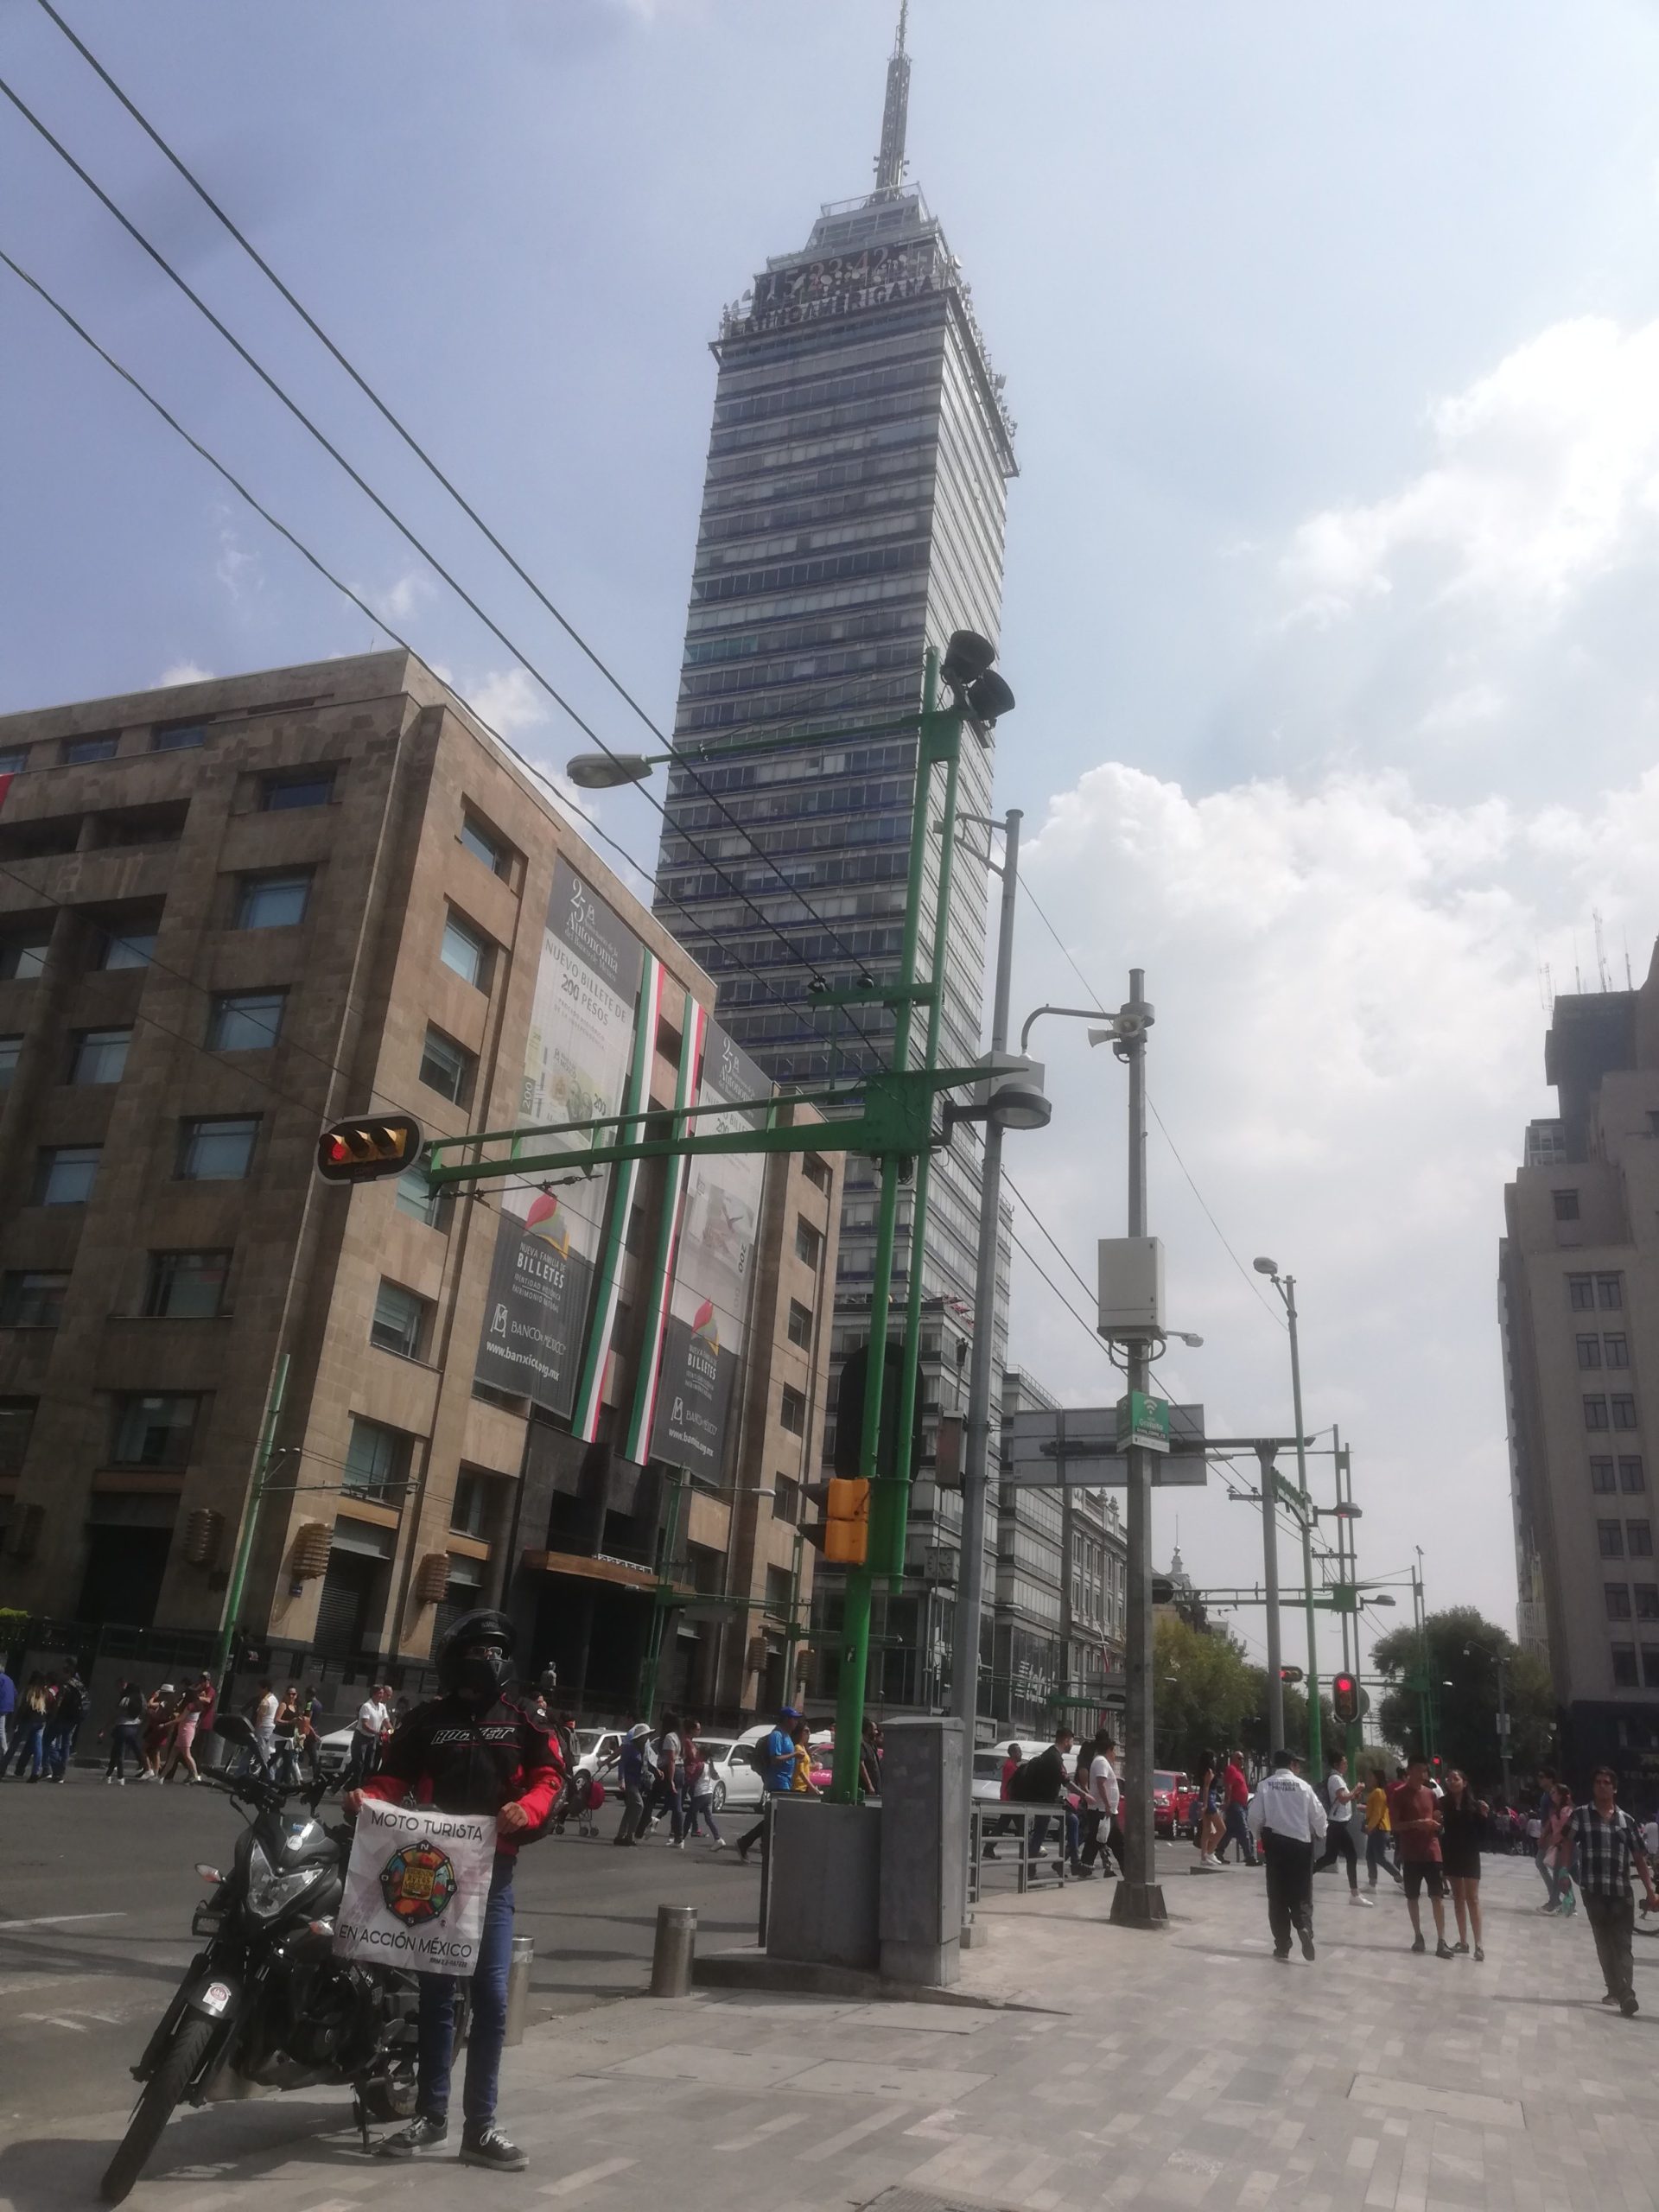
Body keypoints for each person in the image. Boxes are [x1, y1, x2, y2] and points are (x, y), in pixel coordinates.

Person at [346, 1609, 560, 2171]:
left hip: (493, 1878)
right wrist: (369, 1796)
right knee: (438, 1999)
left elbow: (549, 1781)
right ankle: (431, 2117)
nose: (485, 1660)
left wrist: (527, 1808)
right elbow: (391, 1776)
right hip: (429, 1875)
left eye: (494, 1650)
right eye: (475, 1650)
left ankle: (481, 2127)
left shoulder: (523, 1722)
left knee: (489, 1999)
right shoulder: (425, 1722)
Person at [1569, 1764, 1659, 2017]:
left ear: (1615, 1788)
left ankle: (1626, 1992)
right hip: (1594, 1890)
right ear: (1593, 1786)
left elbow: (1639, 1858)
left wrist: (1650, 1892)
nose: (1602, 1785)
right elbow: (1567, 1843)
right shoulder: (1580, 1816)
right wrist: (1567, 1874)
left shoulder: (1626, 1821)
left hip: (1621, 1891)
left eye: (1607, 1782)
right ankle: (1616, 1989)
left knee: (1622, 1943)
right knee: (1604, 1942)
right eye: (1598, 1781)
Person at [1246, 1748, 1327, 1961]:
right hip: (1301, 1845)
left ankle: (1282, 1946)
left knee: (1278, 1897)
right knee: (1302, 1893)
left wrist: (1258, 1836)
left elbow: (1254, 1817)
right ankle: (1304, 1927)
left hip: (1276, 1846)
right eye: (1298, 1764)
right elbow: (1319, 1816)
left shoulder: (1265, 1786)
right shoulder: (1304, 1787)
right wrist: (1320, 1833)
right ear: (1292, 1764)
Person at [1389, 1754, 1454, 1959]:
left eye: (1425, 1771)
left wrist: (1437, 1822)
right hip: (1411, 1853)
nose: (1422, 1774)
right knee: (1412, 1897)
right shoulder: (1399, 1794)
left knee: (1437, 1896)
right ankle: (1418, 1935)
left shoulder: (1431, 1794)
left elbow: (1438, 1818)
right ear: (1409, 1771)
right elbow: (1395, 1825)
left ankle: (1441, 1940)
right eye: (1418, 1770)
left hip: (1432, 1850)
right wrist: (1417, 1824)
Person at [1007, 1726, 1080, 1872]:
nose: (1072, 1744)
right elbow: (1066, 1781)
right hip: (1046, 1802)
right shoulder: (1054, 1757)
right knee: (1064, 1824)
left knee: (1043, 1832)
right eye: (1071, 1741)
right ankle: (1071, 1863)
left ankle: (1034, 1869)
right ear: (1066, 1740)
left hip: (1045, 1801)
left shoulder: (1051, 1755)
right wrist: (1085, 1795)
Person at [737, 1708, 802, 1862]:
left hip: (785, 1781)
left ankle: (755, 1844)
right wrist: (794, 1755)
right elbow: (775, 1759)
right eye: (794, 1719)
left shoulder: (787, 1736)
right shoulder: (777, 1735)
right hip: (776, 1780)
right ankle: (750, 1843)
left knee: (775, 1817)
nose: (796, 1722)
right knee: (775, 1817)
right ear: (786, 1719)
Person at [1440, 1768, 1489, 1960]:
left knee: (1473, 1898)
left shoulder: (1476, 1806)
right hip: (1451, 1854)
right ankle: (1463, 1941)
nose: (1452, 1782)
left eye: (1456, 1778)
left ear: (1464, 1782)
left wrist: (1485, 1817)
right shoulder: (1443, 1804)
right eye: (1449, 1779)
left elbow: (1484, 1835)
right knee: (1458, 1898)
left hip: (1470, 1854)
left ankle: (1479, 1944)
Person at [1313, 1752, 1370, 1906]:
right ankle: (1354, 1894)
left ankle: (1303, 1877)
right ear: (1337, 1764)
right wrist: (1356, 1789)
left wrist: (1354, 1794)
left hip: (1337, 1823)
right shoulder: (1336, 1778)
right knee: (1351, 1855)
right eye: (1344, 1762)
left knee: (1330, 1857)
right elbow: (1343, 1798)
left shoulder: (1337, 1778)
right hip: (1337, 1823)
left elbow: (1345, 1798)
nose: (1346, 1765)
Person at [163, 1675, 213, 1784]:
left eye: (203, 1681)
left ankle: (195, 1774)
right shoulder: (192, 1700)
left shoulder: (194, 1703)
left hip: (190, 1729)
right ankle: (164, 1776)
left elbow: (208, 1700)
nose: (200, 1683)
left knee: (188, 1754)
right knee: (175, 1753)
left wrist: (165, 1725)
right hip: (185, 1728)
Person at [682, 1721, 723, 1847]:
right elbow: (715, 1776)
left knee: (689, 1815)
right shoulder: (709, 1765)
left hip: (700, 1794)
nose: (697, 1755)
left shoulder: (700, 1765)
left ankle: (680, 1840)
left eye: (698, 1753)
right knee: (708, 1818)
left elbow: (693, 1779)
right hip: (709, 1793)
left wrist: (686, 1782)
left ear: (702, 1755)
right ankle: (718, 1839)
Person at [1540, 1781, 1577, 1916]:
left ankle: (1554, 1903)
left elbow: (1568, 1831)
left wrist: (1560, 1842)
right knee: (1569, 1876)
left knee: (1559, 1875)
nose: (1552, 1795)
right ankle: (1569, 1904)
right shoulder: (1557, 1810)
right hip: (1559, 1847)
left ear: (1561, 1795)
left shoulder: (1567, 1811)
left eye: (1554, 1792)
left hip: (1566, 1848)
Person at [345, 1682, 391, 1789]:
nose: (382, 1695)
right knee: (359, 1765)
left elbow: (386, 1722)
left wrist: (392, 1731)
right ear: (374, 1694)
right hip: (361, 1738)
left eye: (383, 1693)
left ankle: (353, 1787)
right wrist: (377, 1732)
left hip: (371, 1739)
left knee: (369, 1765)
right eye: (380, 1693)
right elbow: (365, 1725)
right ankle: (356, 1788)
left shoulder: (382, 1707)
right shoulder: (366, 1706)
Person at [43, 1664, 85, 1782]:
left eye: (62, 1672)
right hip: (74, 1719)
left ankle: (57, 1769)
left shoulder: (65, 1686)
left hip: (63, 1718)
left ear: (67, 1674)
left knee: (46, 1741)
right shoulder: (79, 1685)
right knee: (66, 1744)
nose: (60, 1675)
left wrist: (52, 1717)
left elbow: (58, 1703)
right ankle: (62, 1772)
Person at [613, 1723, 652, 1846]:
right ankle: (630, 1835)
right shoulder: (630, 1749)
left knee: (630, 1808)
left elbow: (647, 1764)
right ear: (639, 1737)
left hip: (637, 1781)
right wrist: (621, 1780)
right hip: (629, 1781)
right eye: (645, 1736)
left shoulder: (643, 1749)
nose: (647, 1738)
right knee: (639, 1805)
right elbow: (621, 1763)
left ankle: (622, 1835)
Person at [1363, 1765, 1402, 1890]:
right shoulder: (1376, 1792)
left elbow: (1378, 1813)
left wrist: (1370, 1826)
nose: (1369, 1779)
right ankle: (1372, 1882)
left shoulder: (1379, 1792)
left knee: (1380, 1857)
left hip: (1379, 1828)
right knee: (1370, 1856)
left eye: (1371, 1776)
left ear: (1377, 1778)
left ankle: (1398, 1876)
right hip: (1376, 1828)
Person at [103, 1679, 145, 1783]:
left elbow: (116, 1715)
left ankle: (120, 1777)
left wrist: (106, 1727)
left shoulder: (126, 1699)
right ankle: (108, 1775)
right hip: (134, 1728)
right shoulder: (140, 1700)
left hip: (122, 1727)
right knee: (116, 1751)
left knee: (119, 1753)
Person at [1218, 1750, 1255, 1866]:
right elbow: (1228, 1786)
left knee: (1229, 1831)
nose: (1242, 1761)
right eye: (1239, 1758)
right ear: (1234, 1759)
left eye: (1243, 1758)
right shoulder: (1231, 1769)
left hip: (1242, 1805)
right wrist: (1227, 1801)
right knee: (1244, 1830)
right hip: (1235, 1805)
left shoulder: (1240, 1772)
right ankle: (1249, 1856)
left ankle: (1218, 1852)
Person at [10, 1671, 50, 1782]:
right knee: (38, 1747)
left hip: (28, 1720)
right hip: (41, 1721)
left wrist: (16, 1720)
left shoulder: (30, 1689)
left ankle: (2, 1768)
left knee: (15, 1743)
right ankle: (35, 1772)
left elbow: (23, 1706)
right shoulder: (45, 1691)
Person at [1192, 1750, 1224, 1866]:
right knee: (1222, 1829)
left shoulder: (1204, 1771)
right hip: (1209, 1800)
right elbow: (1206, 1788)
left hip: (1208, 1799)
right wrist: (1205, 1805)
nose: (1215, 1759)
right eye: (1213, 1758)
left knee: (1206, 1829)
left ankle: (1204, 1857)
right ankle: (1210, 1852)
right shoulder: (1209, 1771)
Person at [141, 1682, 177, 1780]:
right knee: (156, 1751)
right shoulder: (173, 1703)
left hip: (158, 1729)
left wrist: (153, 1696)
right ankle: (156, 1774)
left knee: (143, 1749)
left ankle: (149, 1770)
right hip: (164, 1730)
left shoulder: (164, 1703)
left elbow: (150, 1704)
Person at [272, 1685, 302, 1784]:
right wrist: (289, 1722)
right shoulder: (283, 1705)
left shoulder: (295, 1707)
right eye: (289, 1694)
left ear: (296, 1695)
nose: (291, 1696)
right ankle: (269, 1781)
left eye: (293, 1694)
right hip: (279, 1738)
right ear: (285, 1695)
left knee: (288, 1761)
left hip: (289, 1739)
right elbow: (276, 1720)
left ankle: (286, 1783)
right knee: (273, 1760)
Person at [0, 1662, 14, 1768]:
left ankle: (5, 1751)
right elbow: (15, 1693)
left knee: (1, 1731)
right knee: (2, 1730)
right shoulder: (9, 1679)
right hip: (8, 1707)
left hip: (1, 1706)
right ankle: (5, 1751)